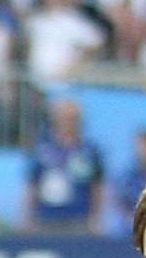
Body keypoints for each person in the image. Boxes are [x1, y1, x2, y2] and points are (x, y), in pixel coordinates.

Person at [24, 99, 105, 232]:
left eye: (73, 119)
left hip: (79, 220)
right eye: (64, 118)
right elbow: (32, 184)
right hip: (46, 219)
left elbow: (97, 187)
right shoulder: (42, 149)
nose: (68, 123)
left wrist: (96, 219)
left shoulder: (90, 150)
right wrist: (28, 217)